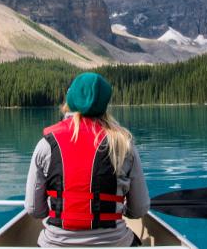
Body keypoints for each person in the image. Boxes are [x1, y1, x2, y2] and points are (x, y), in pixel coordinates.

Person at [25, 72, 150, 247]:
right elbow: (139, 210)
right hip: (115, 244)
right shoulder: (124, 146)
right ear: (105, 104)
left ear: (71, 101)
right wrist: (119, 208)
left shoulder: (46, 145)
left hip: (55, 244)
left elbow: (34, 210)